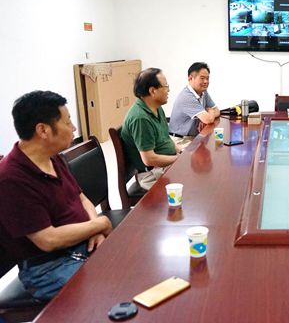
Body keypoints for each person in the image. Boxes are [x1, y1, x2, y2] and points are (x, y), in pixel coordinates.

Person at [0, 91, 113, 301]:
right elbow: (48, 240)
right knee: (112, 289)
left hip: (81, 243)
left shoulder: (53, 157)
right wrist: (99, 224)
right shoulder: (11, 178)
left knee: (133, 259)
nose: (74, 128)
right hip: (49, 266)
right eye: (68, 122)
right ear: (43, 130)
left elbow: (81, 198)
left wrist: (95, 227)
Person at [121, 68, 182, 190]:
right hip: (152, 173)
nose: (168, 90)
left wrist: (179, 150)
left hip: (165, 165)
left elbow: (164, 137)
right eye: (166, 86)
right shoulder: (140, 118)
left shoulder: (156, 108)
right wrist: (179, 159)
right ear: (153, 91)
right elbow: (149, 159)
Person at [169, 62, 220, 138]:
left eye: (207, 78)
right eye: (202, 78)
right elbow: (208, 119)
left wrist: (208, 115)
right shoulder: (186, 96)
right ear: (190, 78)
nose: (206, 81)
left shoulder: (203, 92)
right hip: (180, 139)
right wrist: (210, 111)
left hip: (193, 136)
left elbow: (217, 111)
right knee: (214, 142)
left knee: (216, 141)